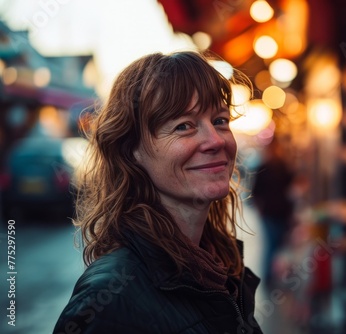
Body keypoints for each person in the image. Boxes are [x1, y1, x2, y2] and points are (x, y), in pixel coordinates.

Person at [53, 51, 263, 334]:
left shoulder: (218, 265)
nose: (214, 140)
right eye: (183, 126)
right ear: (132, 150)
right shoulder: (108, 301)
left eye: (220, 120)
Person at [251, 137, 295, 287]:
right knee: (272, 244)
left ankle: (275, 276)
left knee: (278, 244)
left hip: (282, 213)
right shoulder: (264, 168)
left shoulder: (283, 167)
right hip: (271, 214)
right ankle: (270, 277)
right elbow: (255, 193)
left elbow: (292, 186)